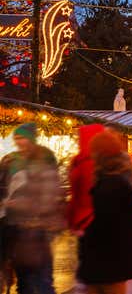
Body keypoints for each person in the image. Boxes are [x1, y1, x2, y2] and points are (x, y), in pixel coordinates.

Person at [78, 131, 132, 293]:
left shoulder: (112, 183)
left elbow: (107, 224)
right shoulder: (120, 179)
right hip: (112, 261)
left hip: (106, 260)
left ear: (101, 154)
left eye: (93, 152)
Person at [0, 123, 65, 294]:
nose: (19, 142)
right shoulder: (11, 160)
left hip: (38, 228)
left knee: (41, 279)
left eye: (22, 138)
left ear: (31, 139)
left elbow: (46, 197)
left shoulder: (43, 160)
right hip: (16, 227)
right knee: (25, 279)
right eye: (16, 138)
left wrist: (18, 204)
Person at [67, 124, 106, 294]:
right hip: (95, 221)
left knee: (88, 265)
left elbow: (76, 195)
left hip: (85, 222)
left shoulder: (80, 162)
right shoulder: (100, 162)